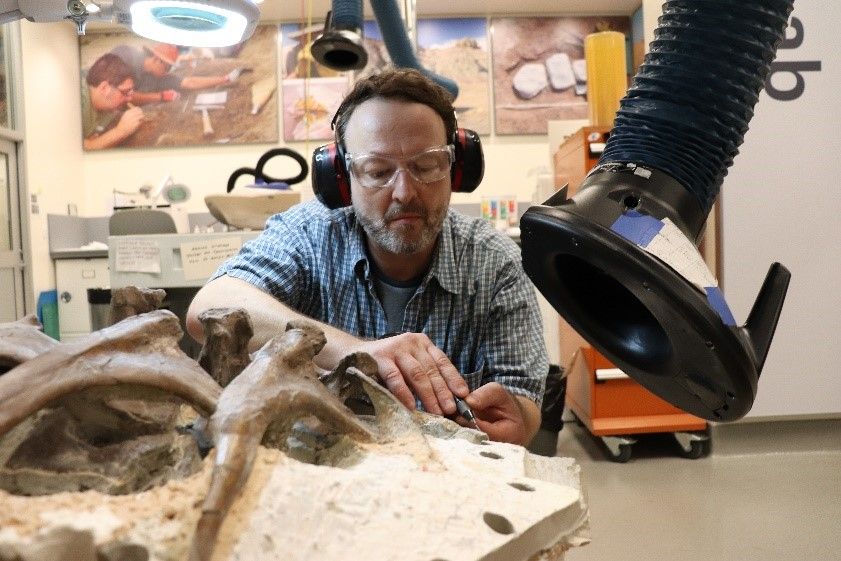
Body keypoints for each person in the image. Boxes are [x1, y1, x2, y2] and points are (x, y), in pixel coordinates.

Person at [186, 69, 548, 445]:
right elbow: (210, 310)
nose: (405, 192)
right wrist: (356, 350)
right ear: (342, 178)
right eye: (377, 171)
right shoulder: (309, 236)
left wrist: (517, 420)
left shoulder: (496, 262)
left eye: (426, 166)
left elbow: (524, 403)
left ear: (456, 169)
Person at [109, 43, 242, 105]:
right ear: (157, 60)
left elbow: (189, 82)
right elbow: (118, 94)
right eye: (167, 67)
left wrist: (225, 79)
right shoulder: (126, 55)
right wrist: (160, 96)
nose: (167, 72)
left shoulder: (158, 78)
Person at [82, 53, 144, 150]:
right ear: (104, 88)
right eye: (125, 92)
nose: (129, 99)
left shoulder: (108, 107)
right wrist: (121, 131)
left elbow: (92, 141)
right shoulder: (76, 100)